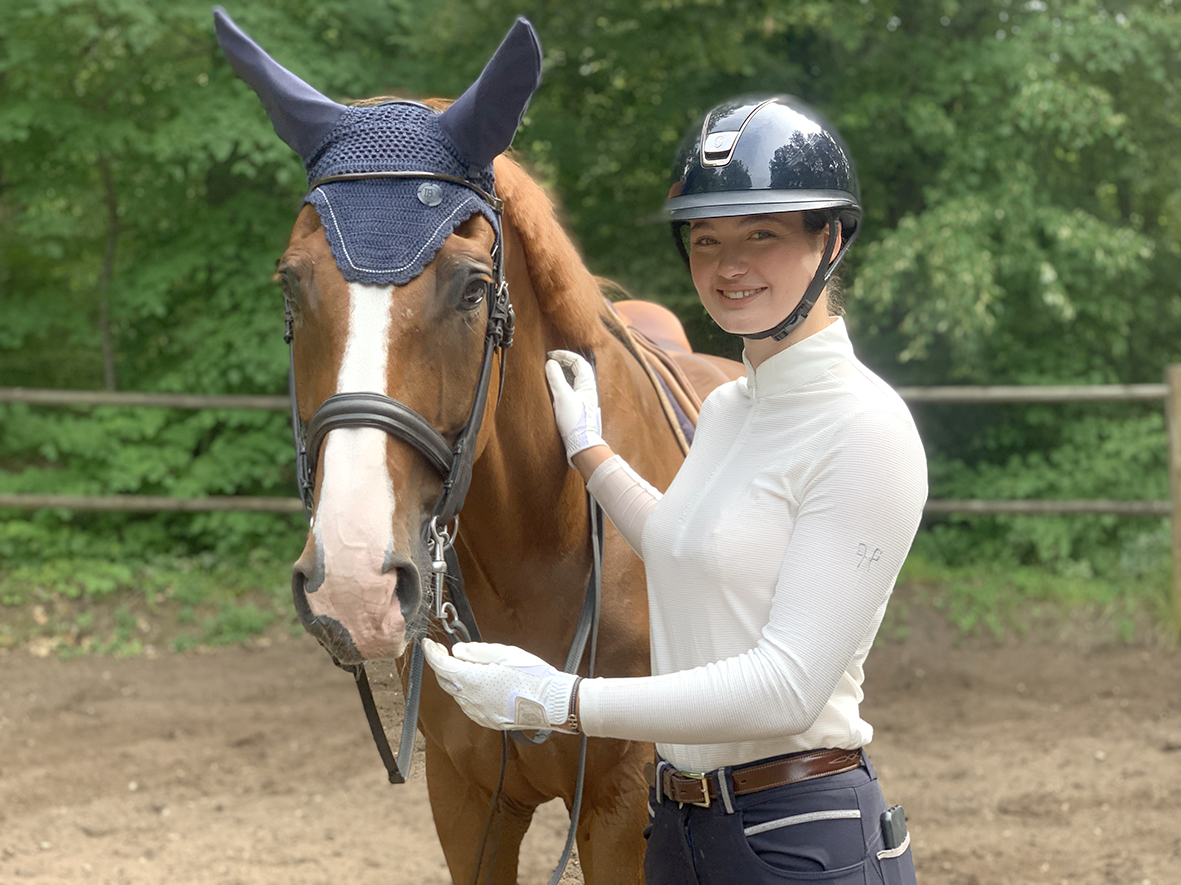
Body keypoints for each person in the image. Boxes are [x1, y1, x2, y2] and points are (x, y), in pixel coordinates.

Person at [424, 94, 926, 885]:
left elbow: (786, 687)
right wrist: (590, 450)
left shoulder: (864, 426)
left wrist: (562, 701)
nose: (729, 266)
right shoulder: (731, 404)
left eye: (761, 235)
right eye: (706, 239)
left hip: (796, 832)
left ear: (828, 239)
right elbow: (682, 542)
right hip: (682, 828)